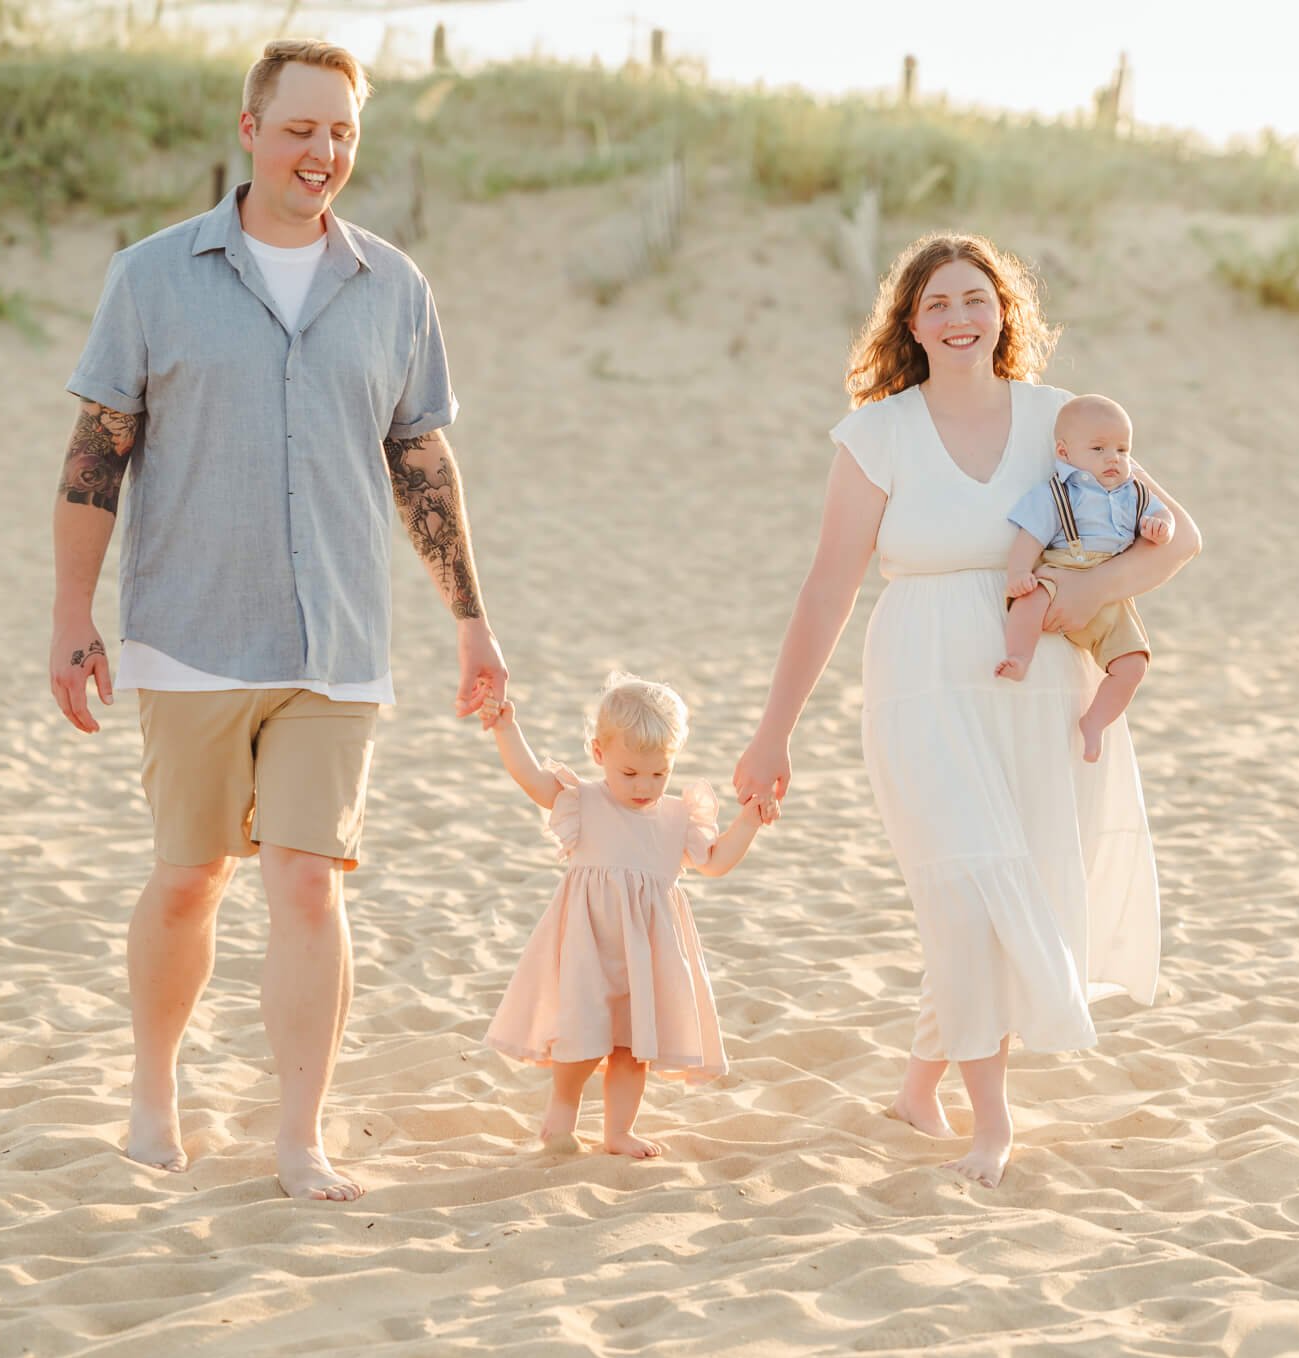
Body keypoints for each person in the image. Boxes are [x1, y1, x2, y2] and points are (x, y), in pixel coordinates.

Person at [46, 39, 507, 1203]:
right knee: (192, 875)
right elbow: (97, 453)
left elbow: (420, 460)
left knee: (308, 881)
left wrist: (470, 618)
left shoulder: (392, 286)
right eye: (302, 129)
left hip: (338, 639)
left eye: (343, 133)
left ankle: (300, 1135)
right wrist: (70, 614)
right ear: (250, 131)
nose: (324, 153)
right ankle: (155, 1094)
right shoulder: (151, 276)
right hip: (190, 629)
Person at [732, 232, 1199, 1187]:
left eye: (975, 298)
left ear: (1005, 314)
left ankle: (917, 1086)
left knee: (1001, 882)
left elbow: (1180, 536)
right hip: (918, 680)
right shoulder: (878, 433)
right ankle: (992, 1124)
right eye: (937, 302)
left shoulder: (1059, 419)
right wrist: (772, 732)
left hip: (1033, 686)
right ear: (910, 322)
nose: (958, 317)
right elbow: (826, 588)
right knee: (967, 883)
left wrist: (1092, 588)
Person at [479, 675, 766, 1158]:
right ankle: (561, 1117)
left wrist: (750, 821)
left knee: (634, 1046)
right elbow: (530, 778)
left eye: (659, 774)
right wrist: (507, 729)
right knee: (582, 1034)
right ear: (599, 753)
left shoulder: (678, 818)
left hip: (648, 949)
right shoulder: (585, 800)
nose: (644, 786)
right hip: (588, 940)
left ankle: (618, 1132)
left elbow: (714, 863)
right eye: (630, 773)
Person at [995, 394, 1173, 763]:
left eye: (1123, 450)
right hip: (1063, 570)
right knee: (1030, 600)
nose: (1114, 458)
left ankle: (1095, 722)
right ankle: (1019, 656)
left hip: (1110, 593)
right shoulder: (1056, 494)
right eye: (1099, 448)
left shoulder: (1135, 494)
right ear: (1064, 452)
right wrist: (1018, 573)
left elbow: (1167, 520)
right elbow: (1030, 535)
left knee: (1134, 663)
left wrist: (1160, 529)